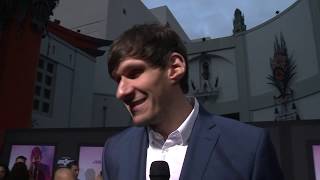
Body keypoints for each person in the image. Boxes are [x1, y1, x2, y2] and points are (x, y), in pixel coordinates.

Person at [102, 23, 283, 180]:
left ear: (174, 67)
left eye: (134, 73)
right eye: (118, 80)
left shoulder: (249, 145)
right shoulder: (115, 150)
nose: (121, 92)